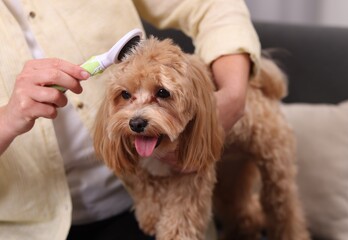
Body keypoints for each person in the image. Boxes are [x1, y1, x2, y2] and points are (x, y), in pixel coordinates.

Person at [0, 0, 260, 239]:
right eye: (126, 95)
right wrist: (8, 119)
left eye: (160, 94)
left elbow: (209, 5)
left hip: (143, 199)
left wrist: (234, 95)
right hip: (23, 228)